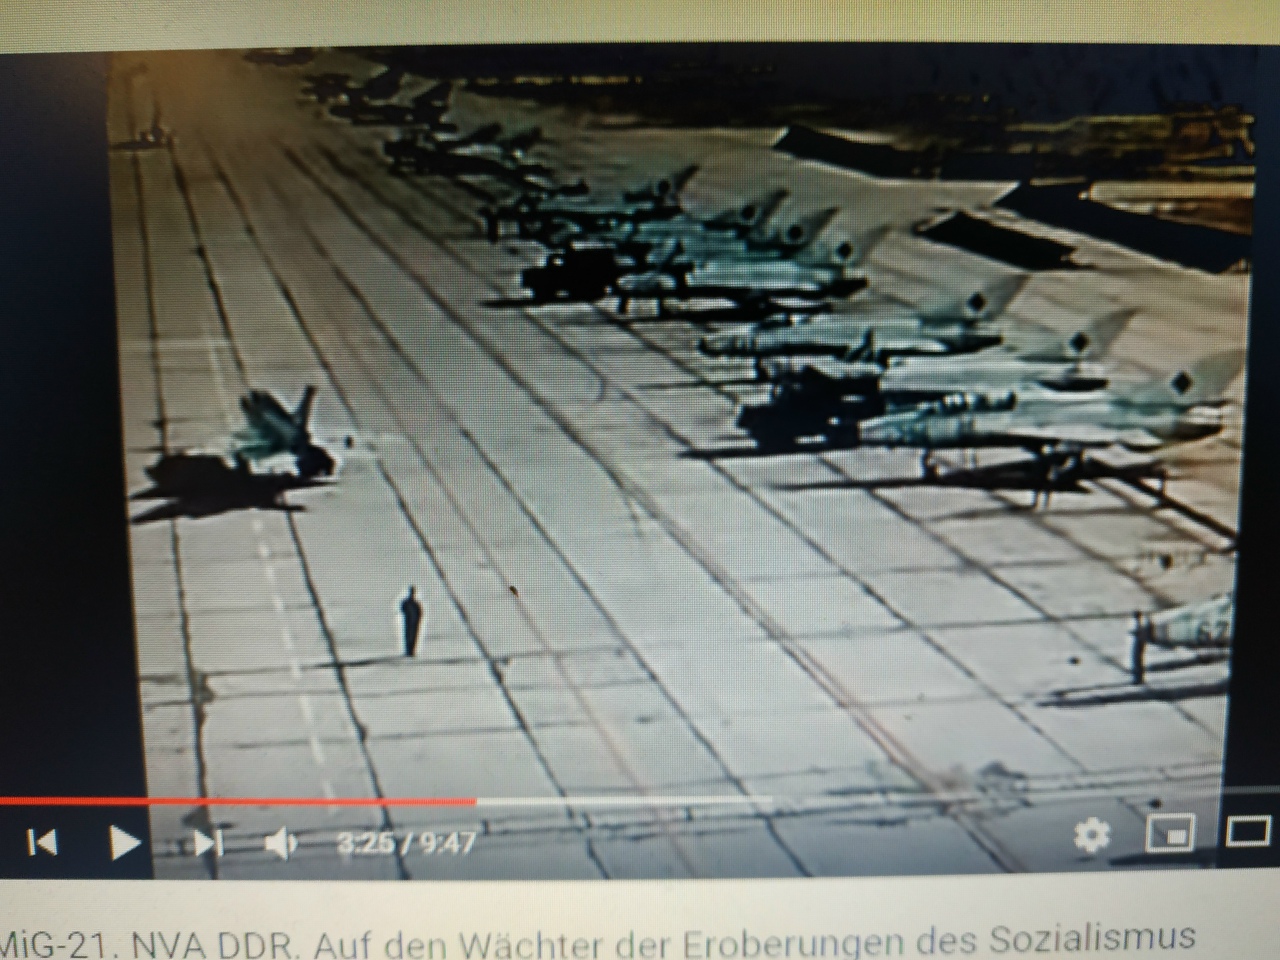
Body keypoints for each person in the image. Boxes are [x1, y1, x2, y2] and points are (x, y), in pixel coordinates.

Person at [400, 586, 423, 657]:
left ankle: (412, 651)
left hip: (415, 623)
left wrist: (417, 619)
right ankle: (408, 650)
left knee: (414, 636)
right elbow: (403, 610)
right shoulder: (407, 603)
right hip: (408, 622)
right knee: (408, 636)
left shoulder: (416, 604)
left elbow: (420, 613)